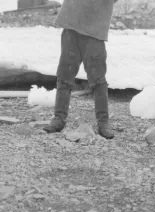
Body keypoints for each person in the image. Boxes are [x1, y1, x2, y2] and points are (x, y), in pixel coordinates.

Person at [43, 0, 118, 139]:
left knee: (98, 79)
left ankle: (103, 122)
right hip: (71, 27)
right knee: (65, 75)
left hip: (94, 32)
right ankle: (58, 119)